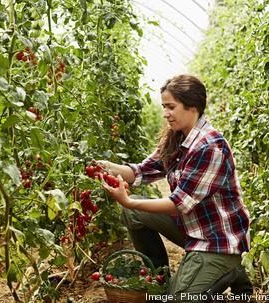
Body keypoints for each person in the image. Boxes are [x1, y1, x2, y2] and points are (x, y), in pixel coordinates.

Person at [97, 74, 253, 299]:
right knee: (133, 213)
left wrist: (128, 199)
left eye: (171, 106)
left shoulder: (209, 146)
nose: (165, 113)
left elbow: (178, 204)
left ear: (192, 106)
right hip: (194, 229)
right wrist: (108, 168)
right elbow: (142, 171)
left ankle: (231, 269)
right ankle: (159, 278)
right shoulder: (177, 138)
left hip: (217, 241)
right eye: (164, 107)